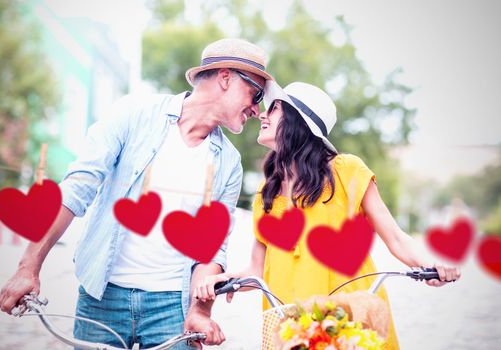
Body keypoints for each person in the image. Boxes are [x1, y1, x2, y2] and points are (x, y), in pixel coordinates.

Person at [0, 38, 274, 349]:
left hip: (172, 307)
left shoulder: (230, 163)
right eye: (256, 94)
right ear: (225, 77)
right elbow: (78, 188)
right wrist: (28, 268)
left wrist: (199, 311)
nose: (257, 108)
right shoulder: (134, 114)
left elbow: (211, 249)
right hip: (102, 296)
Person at [194, 81, 461, 349]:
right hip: (289, 326)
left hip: (348, 321)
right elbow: (258, 269)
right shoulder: (267, 190)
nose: (262, 114)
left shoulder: (347, 171)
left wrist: (431, 267)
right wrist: (226, 280)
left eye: (274, 109)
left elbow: (396, 237)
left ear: (298, 121)